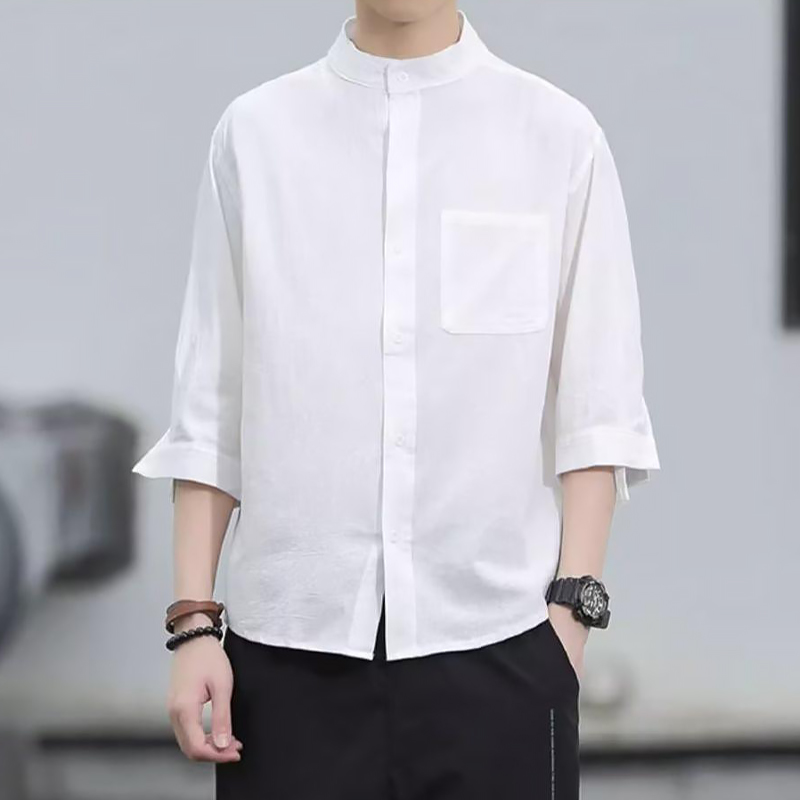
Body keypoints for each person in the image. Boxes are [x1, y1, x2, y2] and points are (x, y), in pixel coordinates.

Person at [132, 1, 661, 797]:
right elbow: (212, 405)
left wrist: (570, 622)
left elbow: (597, 411)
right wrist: (194, 625)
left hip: (503, 648)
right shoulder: (256, 135)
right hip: (289, 655)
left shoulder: (557, 137)